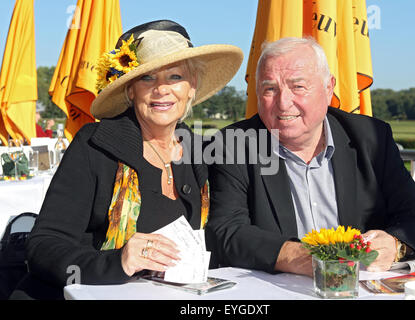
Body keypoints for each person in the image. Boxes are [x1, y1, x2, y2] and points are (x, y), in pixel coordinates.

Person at [12, 20, 242, 299]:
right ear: (131, 90)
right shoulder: (94, 144)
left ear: (192, 86)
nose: (161, 89)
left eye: (175, 77)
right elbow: (43, 246)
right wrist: (116, 262)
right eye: (148, 78)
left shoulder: (198, 152)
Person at [205, 37, 415, 277]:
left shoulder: (371, 138)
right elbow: (226, 232)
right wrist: (300, 257)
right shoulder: (233, 144)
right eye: (270, 89)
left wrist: (395, 244)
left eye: (298, 87)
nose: (283, 103)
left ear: (329, 88)